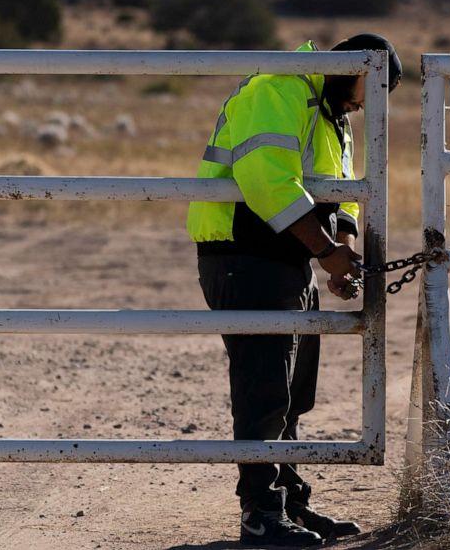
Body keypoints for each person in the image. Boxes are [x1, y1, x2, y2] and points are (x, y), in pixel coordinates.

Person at [187, 34, 401, 547]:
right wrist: (328, 252)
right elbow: (267, 181)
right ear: (354, 70)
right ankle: (260, 514)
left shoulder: (330, 112)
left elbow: (344, 191)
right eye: (368, 92)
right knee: (264, 389)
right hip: (245, 256)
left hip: (287, 259)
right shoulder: (279, 89)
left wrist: (340, 250)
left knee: (290, 394)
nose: (363, 107)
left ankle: (288, 503)